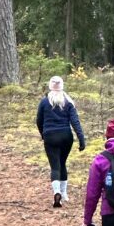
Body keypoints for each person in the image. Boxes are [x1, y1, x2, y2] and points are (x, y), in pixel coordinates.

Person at [36, 76, 86, 208]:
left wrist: (43, 133)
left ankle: (57, 191)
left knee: (55, 166)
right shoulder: (68, 102)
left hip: (50, 136)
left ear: (50, 86)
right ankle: (64, 194)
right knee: (62, 163)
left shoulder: (44, 102)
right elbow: (75, 122)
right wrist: (81, 139)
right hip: (66, 136)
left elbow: (39, 121)